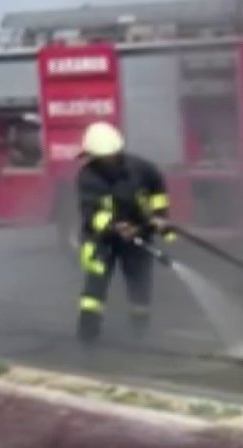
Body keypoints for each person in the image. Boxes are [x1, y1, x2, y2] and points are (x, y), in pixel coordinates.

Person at [75, 122, 174, 344]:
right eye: (102, 158)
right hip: (102, 240)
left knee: (140, 286)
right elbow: (91, 213)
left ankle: (140, 334)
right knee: (94, 290)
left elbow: (157, 190)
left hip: (136, 234)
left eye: (111, 156)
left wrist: (159, 216)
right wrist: (114, 227)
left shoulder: (142, 169)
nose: (108, 161)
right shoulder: (88, 176)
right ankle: (87, 336)